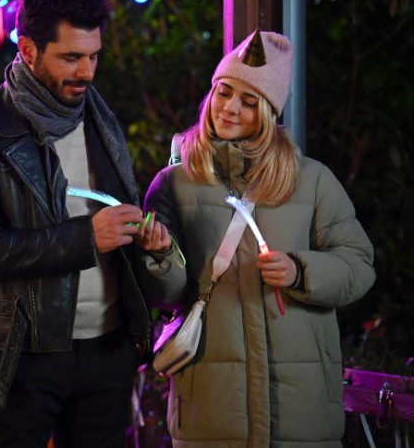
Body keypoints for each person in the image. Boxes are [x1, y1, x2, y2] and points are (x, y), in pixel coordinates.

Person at [0, 0, 169, 447]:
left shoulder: (100, 120)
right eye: (70, 57)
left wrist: (149, 243)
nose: (86, 72)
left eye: (94, 56)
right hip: (22, 355)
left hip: (107, 349)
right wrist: (84, 238)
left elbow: (116, 231)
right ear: (27, 50)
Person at [137, 30, 375, 446]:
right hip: (211, 415)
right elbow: (166, 296)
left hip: (302, 418)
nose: (230, 108)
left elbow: (359, 265)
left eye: (249, 102)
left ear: (268, 112)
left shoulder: (312, 180)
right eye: (224, 92)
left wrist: (301, 271)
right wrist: (159, 257)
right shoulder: (173, 183)